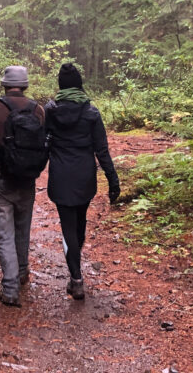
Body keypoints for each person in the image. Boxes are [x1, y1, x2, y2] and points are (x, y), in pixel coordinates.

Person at [45, 62, 120, 300]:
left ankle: (76, 278)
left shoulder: (50, 110)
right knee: (80, 223)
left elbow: (43, 144)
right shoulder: (91, 113)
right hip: (85, 176)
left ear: (60, 85)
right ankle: (75, 273)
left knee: (68, 226)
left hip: (60, 175)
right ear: (79, 85)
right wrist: (112, 178)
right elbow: (102, 150)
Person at [0, 65, 45, 307]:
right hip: (27, 181)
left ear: (3, 85)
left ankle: (10, 289)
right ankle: (23, 273)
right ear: (25, 85)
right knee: (23, 229)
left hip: (1, 180)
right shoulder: (38, 110)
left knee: (5, 236)